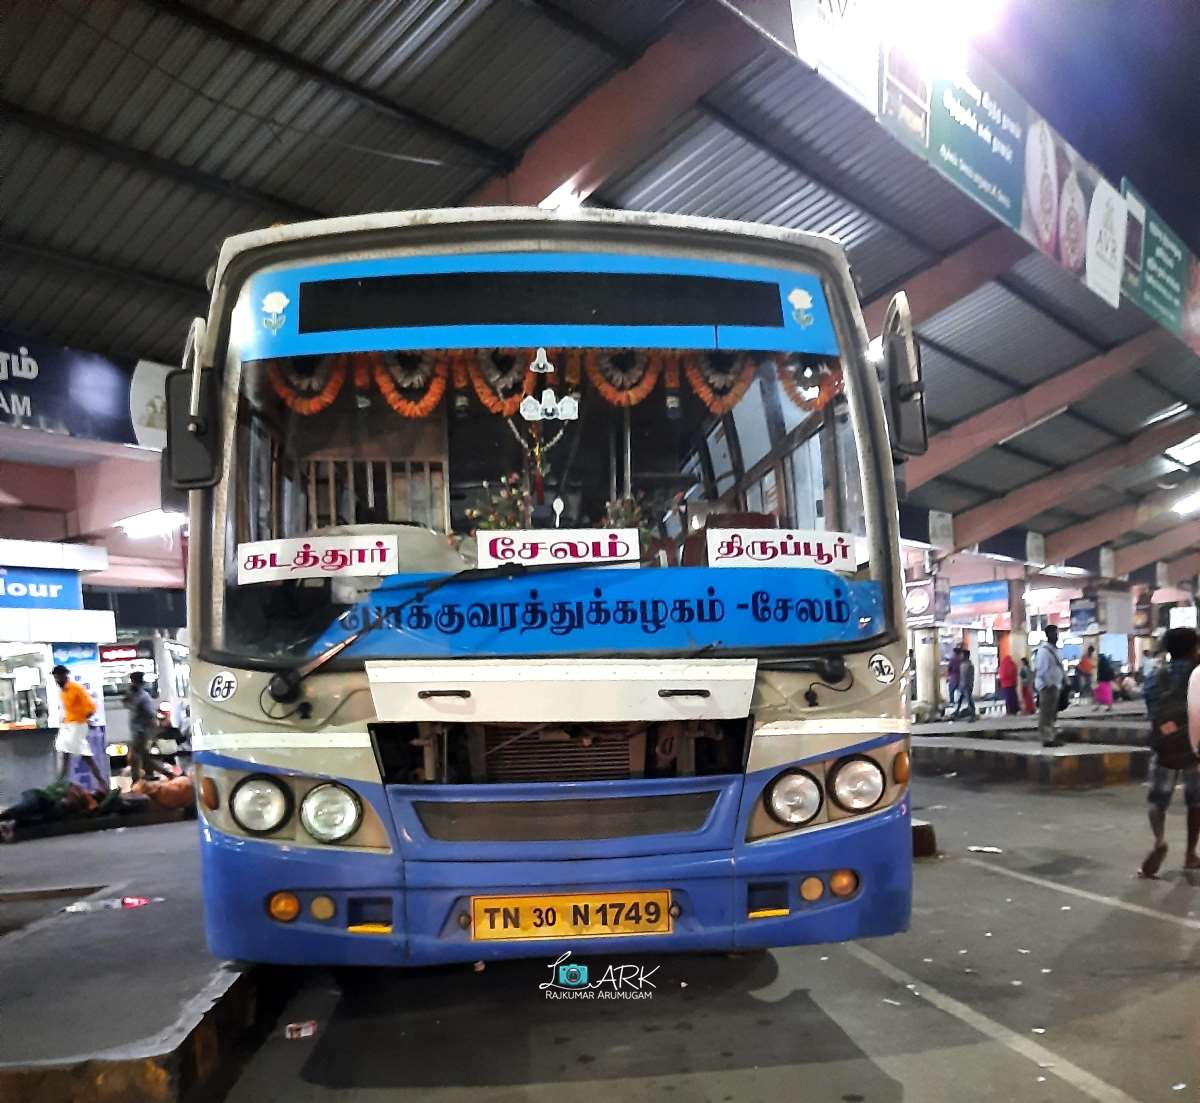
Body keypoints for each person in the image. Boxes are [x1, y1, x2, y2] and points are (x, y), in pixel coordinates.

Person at [1141, 627, 1200, 876]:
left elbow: (1153, 711)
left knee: (1157, 800)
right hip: (1194, 749)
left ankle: (1160, 839)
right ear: (1192, 650)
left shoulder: (1155, 676)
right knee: (1196, 802)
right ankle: (1190, 855)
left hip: (1164, 746)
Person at [52, 665, 104, 788]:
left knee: (83, 756)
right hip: (68, 726)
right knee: (65, 754)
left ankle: (102, 783)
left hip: (77, 726)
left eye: (58, 677)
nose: (57, 680)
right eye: (55, 677)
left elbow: (91, 707)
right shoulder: (63, 691)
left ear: (64, 676)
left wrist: (81, 720)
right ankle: (60, 784)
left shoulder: (76, 689)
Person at [125, 671, 165, 784]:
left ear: (137, 682)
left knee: (138, 755)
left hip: (142, 731)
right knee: (143, 755)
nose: (131, 683)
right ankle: (150, 774)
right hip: (136, 730)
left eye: (133, 681)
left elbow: (150, 713)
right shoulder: (134, 694)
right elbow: (127, 704)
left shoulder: (143, 696)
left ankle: (140, 777)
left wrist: (153, 728)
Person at [1034, 625, 1066, 747]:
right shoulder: (1044, 651)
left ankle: (1051, 735)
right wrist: (1049, 684)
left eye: (1057, 634)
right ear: (1048, 635)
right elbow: (1041, 670)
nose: (1056, 636)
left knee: (1052, 713)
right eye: (1054, 634)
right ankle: (1046, 738)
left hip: (1055, 686)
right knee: (1046, 713)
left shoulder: (1055, 650)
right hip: (1048, 687)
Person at [954, 650, 977, 721]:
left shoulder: (970, 665)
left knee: (969, 701)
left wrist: (970, 686)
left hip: (967, 686)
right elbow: (961, 676)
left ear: (966, 656)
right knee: (960, 700)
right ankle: (956, 712)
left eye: (962, 655)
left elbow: (970, 677)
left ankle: (973, 716)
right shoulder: (962, 664)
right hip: (962, 685)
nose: (961, 656)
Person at [946, 645, 963, 718]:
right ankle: (960, 703)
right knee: (961, 691)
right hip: (961, 677)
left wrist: (948, 677)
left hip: (953, 677)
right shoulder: (962, 659)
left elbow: (949, 669)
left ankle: (952, 702)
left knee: (951, 690)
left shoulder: (952, 659)